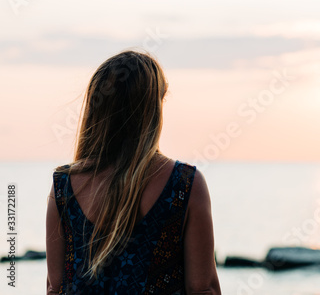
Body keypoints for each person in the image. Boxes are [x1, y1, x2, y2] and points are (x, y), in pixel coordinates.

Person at [45, 50, 222, 294]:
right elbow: (203, 288)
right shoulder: (184, 185)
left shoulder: (63, 187)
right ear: (152, 111)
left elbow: (55, 288)